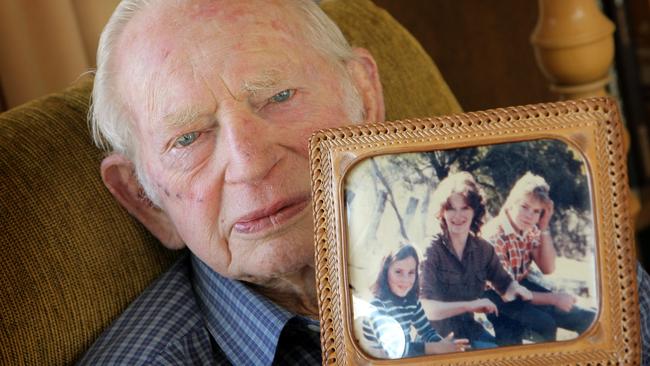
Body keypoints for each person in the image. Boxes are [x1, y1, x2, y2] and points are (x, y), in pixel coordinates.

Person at [77, 0, 650, 364]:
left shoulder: (594, 279)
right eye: (188, 139)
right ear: (143, 201)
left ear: (366, 98)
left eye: (279, 96)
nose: (249, 163)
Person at [419, 172, 533, 350]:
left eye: (464, 208)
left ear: (475, 211)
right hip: (436, 337)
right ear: (442, 212)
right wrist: (469, 306)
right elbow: (426, 308)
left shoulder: (484, 249)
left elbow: (505, 284)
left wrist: (517, 289)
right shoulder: (431, 250)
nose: (457, 216)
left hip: (470, 330)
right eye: (451, 209)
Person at [481, 172, 596, 346]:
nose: (529, 215)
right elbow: (507, 291)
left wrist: (544, 226)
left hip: (522, 287)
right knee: (544, 324)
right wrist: (555, 299)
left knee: (587, 317)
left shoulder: (530, 228)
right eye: (525, 207)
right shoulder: (494, 235)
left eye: (536, 211)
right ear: (512, 203)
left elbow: (548, 268)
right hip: (497, 296)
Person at [361, 244, 469, 358]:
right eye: (398, 272)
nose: (405, 280)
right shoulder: (377, 307)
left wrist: (443, 345)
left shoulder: (412, 302)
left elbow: (427, 332)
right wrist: (435, 348)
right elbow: (395, 350)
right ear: (386, 272)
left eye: (411, 272)